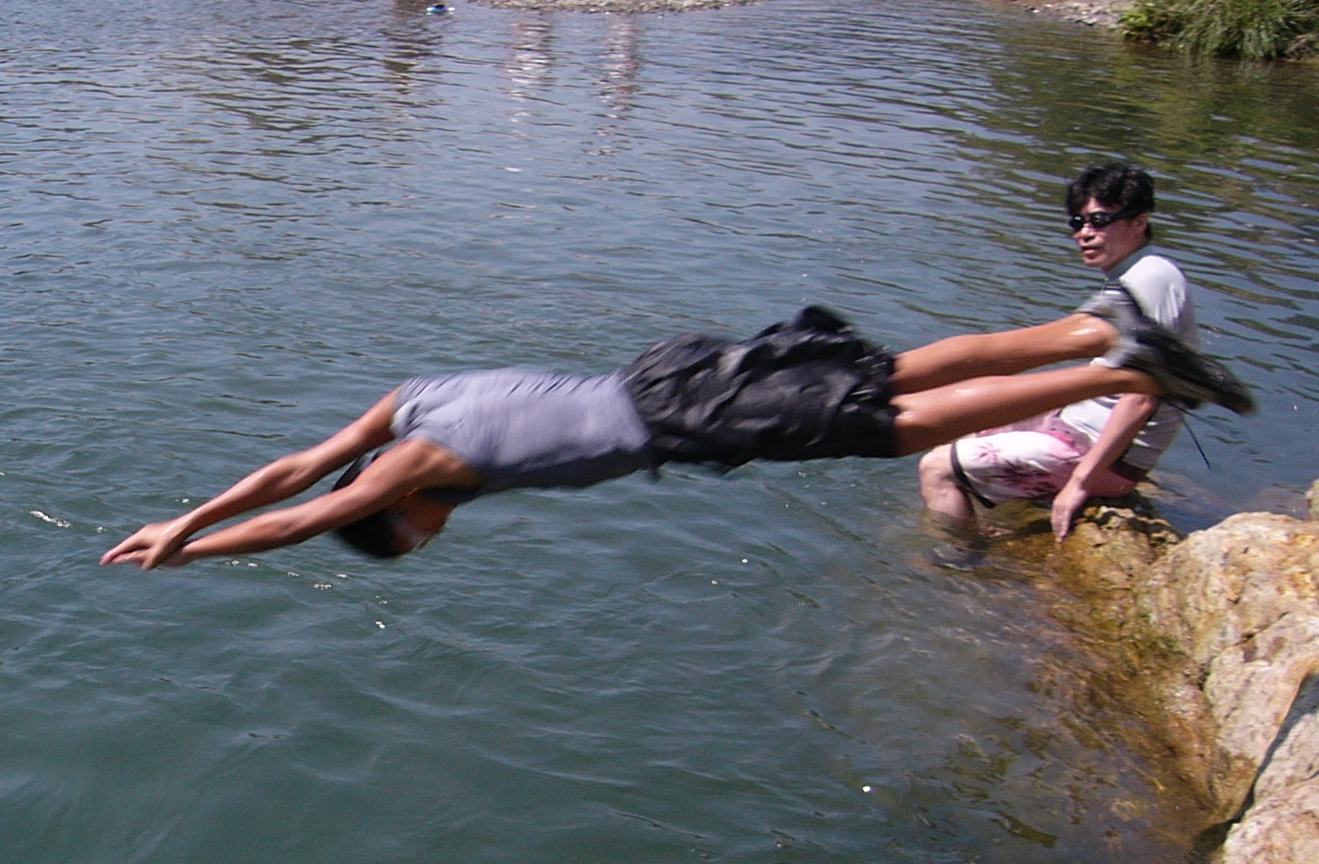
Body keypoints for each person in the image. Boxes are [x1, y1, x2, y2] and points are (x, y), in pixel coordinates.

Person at [100, 304, 1251, 569]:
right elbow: (300, 462)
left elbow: (304, 507)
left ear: (398, 512)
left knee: (891, 427)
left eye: (414, 538)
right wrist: (196, 506)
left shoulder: (415, 466)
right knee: (884, 371)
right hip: (675, 370)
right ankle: (1086, 325)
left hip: (686, 415)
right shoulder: (408, 403)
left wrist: (183, 544)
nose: (432, 533)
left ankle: (1112, 369)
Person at [917, 163, 1207, 547]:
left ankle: (959, 559)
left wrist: (1080, 483)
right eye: (1078, 222)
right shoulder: (1133, 275)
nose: (1085, 234)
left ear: (1140, 222)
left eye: (1100, 220)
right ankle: (975, 521)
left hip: (1102, 454)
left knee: (936, 468)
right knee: (973, 421)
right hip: (1079, 426)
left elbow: (1142, 396)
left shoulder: (1152, 278)